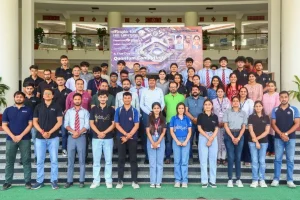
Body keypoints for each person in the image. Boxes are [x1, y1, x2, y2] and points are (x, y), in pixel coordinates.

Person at [32, 88, 63, 190]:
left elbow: (59, 122)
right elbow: (35, 122)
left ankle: (54, 181)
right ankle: (39, 181)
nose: (47, 95)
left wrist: (50, 132)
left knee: (54, 160)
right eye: (45, 93)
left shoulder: (57, 107)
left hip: (53, 137)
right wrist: (42, 131)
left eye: (49, 94)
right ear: (43, 96)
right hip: (40, 138)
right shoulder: (38, 107)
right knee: (40, 160)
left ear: (52, 96)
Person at [1, 91, 33, 190]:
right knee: (9, 161)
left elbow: (30, 124)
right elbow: (4, 125)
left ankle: (27, 181)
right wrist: (13, 136)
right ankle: (8, 182)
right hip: (10, 139)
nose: (19, 98)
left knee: (26, 160)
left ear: (24, 98)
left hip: (25, 139)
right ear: (14, 98)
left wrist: (20, 135)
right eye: (17, 97)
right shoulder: (8, 110)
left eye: (20, 97)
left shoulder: (28, 110)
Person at [270, 91, 300, 188]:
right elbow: (273, 124)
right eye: (282, 97)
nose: (284, 99)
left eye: (285, 97)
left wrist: (286, 134)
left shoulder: (294, 109)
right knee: (277, 159)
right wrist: (281, 134)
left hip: (290, 139)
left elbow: (297, 123)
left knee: (290, 160)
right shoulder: (275, 110)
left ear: (288, 98)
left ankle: (290, 180)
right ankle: (276, 179)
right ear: (279, 98)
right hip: (278, 138)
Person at [89, 91, 115, 189]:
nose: (103, 99)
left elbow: (113, 124)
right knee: (96, 161)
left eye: (105, 97)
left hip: (108, 138)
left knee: (108, 161)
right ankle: (96, 181)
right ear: (98, 98)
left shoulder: (111, 110)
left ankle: (108, 180)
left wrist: (104, 133)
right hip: (96, 138)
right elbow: (91, 123)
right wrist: (99, 133)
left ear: (107, 98)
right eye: (101, 97)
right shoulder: (93, 109)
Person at [64, 93, 90, 189]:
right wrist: (73, 132)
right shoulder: (69, 112)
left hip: (81, 137)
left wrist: (79, 132)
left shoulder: (86, 112)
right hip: (71, 137)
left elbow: (87, 125)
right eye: (75, 99)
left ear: (81, 100)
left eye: (79, 99)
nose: (77, 101)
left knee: (82, 160)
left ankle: (81, 181)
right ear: (73, 100)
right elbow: (66, 124)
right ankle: (69, 180)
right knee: (70, 160)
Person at [114, 92, 140, 189]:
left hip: (132, 138)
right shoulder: (118, 110)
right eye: (125, 98)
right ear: (122, 99)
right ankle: (120, 181)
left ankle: (134, 181)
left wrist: (128, 136)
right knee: (121, 159)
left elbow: (136, 125)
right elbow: (116, 124)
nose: (127, 99)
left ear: (131, 99)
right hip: (121, 138)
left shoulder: (135, 111)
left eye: (129, 98)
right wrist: (125, 135)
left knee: (133, 159)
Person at [223, 96, 247, 188]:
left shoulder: (243, 113)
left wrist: (238, 137)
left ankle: (238, 179)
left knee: (238, 157)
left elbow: (244, 126)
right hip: (229, 135)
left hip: (240, 135)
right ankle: (230, 179)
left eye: (237, 101)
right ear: (231, 102)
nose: (236, 102)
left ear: (239, 103)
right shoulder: (227, 112)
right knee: (230, 157)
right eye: (234, 101)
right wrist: (233, 137)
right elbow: (225, 125)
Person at [140, 76, 165, 163]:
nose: (151, 82)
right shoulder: (144, 91)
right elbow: (141, 104)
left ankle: (159, 156)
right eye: (150, 80)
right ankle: (148, 157)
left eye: (153, 80)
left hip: (158, 114)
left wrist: (157, 111)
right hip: (147, 114)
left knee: (159, 133)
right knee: (147, 135)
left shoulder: (159, 90)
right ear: (148, 82)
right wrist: (150, 112)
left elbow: (163, 103)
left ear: (155, 82)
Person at [248, 101, 270, 188]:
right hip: (252, 142)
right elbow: (250, 130)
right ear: (254, 108)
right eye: (256, 106)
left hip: (264, 142)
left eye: (259, 106)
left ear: (262, 107)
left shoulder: (266, 117)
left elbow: (267, 131)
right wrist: (256, 141)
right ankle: (255, 180)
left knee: (262, 161)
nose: (258, 108)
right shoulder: (251, 117)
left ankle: (262, 179)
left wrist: (257, 139)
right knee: (254, 161)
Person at [197, 99, 219, 188]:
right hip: (203, 137)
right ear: (203, 106)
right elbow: (199, 128)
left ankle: (212, 181)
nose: (207, 106)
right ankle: (204, 181)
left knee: (213, 160)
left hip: (213, 137)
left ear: (212, 106)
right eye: (205, 104)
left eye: (209, 104)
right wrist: (207, 137)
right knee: (203, 160)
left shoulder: (215, 117)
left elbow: (217, 128)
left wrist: (211, 138)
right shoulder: (200, 116)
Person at [170, 102, 192, 188]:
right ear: (177, 109)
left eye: (182, 108)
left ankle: (184, 181)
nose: (181, 110)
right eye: (179, 108)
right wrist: (177, 141)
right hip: (176, 140)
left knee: (184, 161)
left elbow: (190, 131)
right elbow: (171, 131)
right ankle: (177, 180)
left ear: (184, 109)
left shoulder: (187, 119)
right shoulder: (173, 119)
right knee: (177, 161)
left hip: (185, 140)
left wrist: (186, 141)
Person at [146, 102, 167, 188]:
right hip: (151, 139)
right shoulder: (149, 118)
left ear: (160, 109)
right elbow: (147, 131)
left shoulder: (163, 119)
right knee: (152, 162)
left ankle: (158, 182)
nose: (156, 110)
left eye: (158, 108)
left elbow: (164, 132)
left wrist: (158, 142)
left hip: (160, 140)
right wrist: (153, 142)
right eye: (154, 108)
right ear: (152, 109)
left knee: (159, 162)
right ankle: (152, 182)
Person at [164, 82, 185, 164]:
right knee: (169, 140)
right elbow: (165, 108)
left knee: (180, 139)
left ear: (177, 87)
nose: (173, 88)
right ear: (169, 88)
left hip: (180, 122)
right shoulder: (165, 97)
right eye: (171, 87)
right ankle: (168, 157)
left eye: (174, 87)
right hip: (169, 121)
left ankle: (179, 157)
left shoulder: (182, 97)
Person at [185, 85, 205, 164]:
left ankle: (201, 157)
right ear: (191, 91)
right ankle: (190, 157)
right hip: (190, 123)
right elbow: (186, 111)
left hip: (201, 123)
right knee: (189, 140)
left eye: (196, 89)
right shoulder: (187, 99)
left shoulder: (203, 99)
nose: (195, 91)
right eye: (193, 89)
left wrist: (198, 119)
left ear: (199, 91)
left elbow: (205, 110)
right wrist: (193, 119)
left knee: (201, 141)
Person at [53, 75, 72, 157]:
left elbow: (71, 102)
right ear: (56, 81)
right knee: (54, 132)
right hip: (54, 114)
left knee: (64, 133)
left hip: (66, 114)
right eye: (58, 80)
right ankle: (53, 149)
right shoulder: (53, 91)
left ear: (64, 81)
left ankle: (64, 149)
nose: (60, 81)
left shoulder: (69, 91)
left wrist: (67, 110)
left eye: (61, 79)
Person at [212, 87, 231, 166]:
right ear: (216, 93)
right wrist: (217, 122)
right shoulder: (213, 101)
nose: (220, 93)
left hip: (225, 124)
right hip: (216, 124)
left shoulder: (227, 100)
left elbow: (229, 112)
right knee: (217, 141)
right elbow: (212, 112)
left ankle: (224, 158)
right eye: (218, 91)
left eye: (221, 91)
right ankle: (218, 157)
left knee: (224, 141)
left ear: (224, 93)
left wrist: (224, 122)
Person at [24, 83, 41, 163]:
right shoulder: (22, 99)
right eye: (28, 88)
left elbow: (39, 112)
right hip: (24, 124)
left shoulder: (37, 100)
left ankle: (37, 157)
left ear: (33, 89)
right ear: (25, 89)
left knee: (35, 141)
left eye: (31, 88)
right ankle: (23, 158)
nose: (29, 90)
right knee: (24, 142)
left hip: (34, 124)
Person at [262, 81, 280, 156]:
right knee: (266, 133)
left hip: (274, 117)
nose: (270, 87)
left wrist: (270, 114)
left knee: (273, 134)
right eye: (269, 86)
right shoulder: (264, 95)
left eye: (272, 86)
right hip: (265, 117)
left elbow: (277, 105)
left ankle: (273, 150)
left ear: (275, 87)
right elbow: (262, 105)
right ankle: (268, 150)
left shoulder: (277, 95)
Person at [239, 87, 254, 167]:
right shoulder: (236, 101)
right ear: (239, 92)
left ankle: (247, 159)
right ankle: (240, 158)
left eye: (245, 91)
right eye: (241, 91)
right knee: (240, 143)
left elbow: (251, 113)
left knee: (246, 143)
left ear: (247, 93)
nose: (243, 93)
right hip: (238, 125)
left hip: (247, 125)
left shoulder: (250, 101)